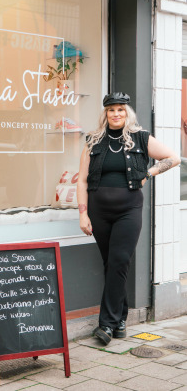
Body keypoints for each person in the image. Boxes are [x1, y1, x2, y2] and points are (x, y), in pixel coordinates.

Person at [77, 92, 180, 345]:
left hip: (129, 210)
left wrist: (149, 172)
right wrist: (82, 214)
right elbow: (81, 179)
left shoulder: (140, 138)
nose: (116, 114)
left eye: (120, 110)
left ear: (127, 113)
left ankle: (107, 325)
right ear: (106, 114)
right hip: (99, 212)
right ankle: (121, 319)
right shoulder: (93, 141)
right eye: (111, 110)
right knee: (111, 264)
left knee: (120, 260)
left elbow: (173, 158)